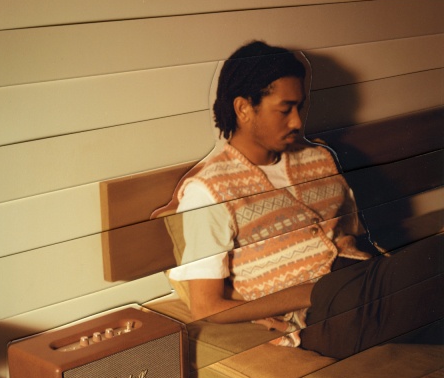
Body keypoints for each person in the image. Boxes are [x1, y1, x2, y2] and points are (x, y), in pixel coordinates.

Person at [157, 41, 442, 359]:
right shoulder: (208, 190)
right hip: (324, 314)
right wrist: (307, 294)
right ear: (243, 109)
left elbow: (352, 237)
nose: (296, 122)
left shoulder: (318, 158)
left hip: (367, 284)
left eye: (299, 107)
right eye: (284, 109)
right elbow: (205, 305)